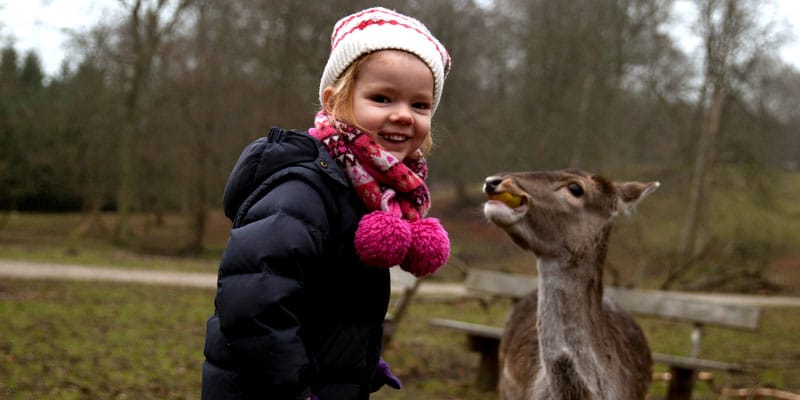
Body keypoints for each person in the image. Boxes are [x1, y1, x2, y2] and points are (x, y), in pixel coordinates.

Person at [202, 7, 451, 400]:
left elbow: (325, 304)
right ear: (335, 102)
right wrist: (295, 388)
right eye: (382, 98)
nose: (403, 115)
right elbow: (253, 309)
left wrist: (354, 361)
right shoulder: (304, 191)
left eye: (419, 105)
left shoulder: (367, 189)